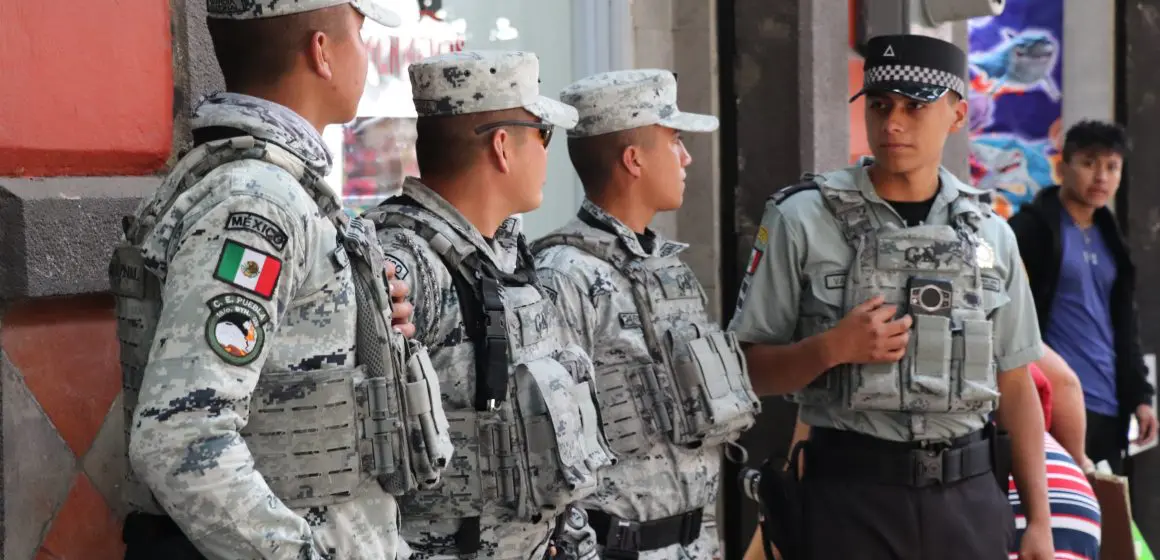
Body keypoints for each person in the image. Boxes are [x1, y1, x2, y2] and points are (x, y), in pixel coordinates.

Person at [110, 2, 454, 559]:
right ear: (321, 51)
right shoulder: (258, 203)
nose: (365, 54)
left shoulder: (285, 189)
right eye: (360, 35)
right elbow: (180, 436)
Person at [728, 34, 1054, 559]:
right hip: (848, 497)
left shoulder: (992, 234)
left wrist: (1039, 519)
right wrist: (831, 349)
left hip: (967, 498)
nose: (892, 123)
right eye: (880, 106)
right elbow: (748, 371)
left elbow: (1016, 381)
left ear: (956, 115)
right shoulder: (802, 218)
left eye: (914, 107)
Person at [364, 50, 615, 559]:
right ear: (503, 146)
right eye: (543, 135)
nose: (549, 153)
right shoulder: (402, 265)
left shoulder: (508, 256)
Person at [531, 69, 761, 559]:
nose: (686, 158)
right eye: (675, 140)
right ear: (633, 159)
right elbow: (549, 444)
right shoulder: (563, 275)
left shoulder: (665, 269)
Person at [1007, 120, 1157, 475]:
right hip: (1052, 401)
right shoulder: (1029, 230)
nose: (1101, 176)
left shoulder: (1112, 241)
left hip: (1109, 406)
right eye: (1089, 163)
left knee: (1108, 520)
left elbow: (1125, 326)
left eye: (1112, 166)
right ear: (1063, 167)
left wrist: (1140, 397)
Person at [1006, 351, 1102, 559]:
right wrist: (1080, 464)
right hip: (1070, 500)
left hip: (991, 495)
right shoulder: (1010, 334)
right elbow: (1065, 383)